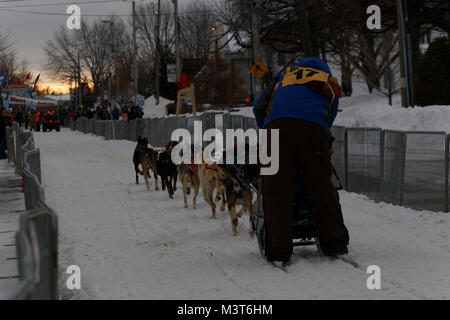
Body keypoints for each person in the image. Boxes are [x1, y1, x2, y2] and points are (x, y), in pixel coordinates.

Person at [253, 57, 349, 263]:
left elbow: (258, 107)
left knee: (276, 191)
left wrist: (268, 129)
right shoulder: (327, 82)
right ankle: (334, 242)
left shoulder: (283, 77)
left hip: (274, 131)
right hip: (313, 130)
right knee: (322, 186)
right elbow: (328, 119)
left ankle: (278, 248)